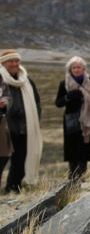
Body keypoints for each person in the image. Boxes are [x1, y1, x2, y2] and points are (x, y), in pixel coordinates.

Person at [0, 50, 42, 192]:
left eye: (17, 61)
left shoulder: (26, 80)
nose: (15, 64)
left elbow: (36, 102)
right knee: (1, 160)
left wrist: (36, 121)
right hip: (4, 128)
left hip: (24, 128)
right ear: (3, 63)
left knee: (20, 160)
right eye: (10, 61)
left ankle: (13, 187)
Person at [55, 56, 90, 180]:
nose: (76, 69)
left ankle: (83, 176)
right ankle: (72, 177)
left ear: (84, 68)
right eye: (74, 67)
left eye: (79, 67)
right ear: (70, 69)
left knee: (85, 149)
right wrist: (68, 97)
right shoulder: (64, 83)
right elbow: (58, 103)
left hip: (87, 120)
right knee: (72, 150)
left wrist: (87, 103)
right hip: (71, 120)